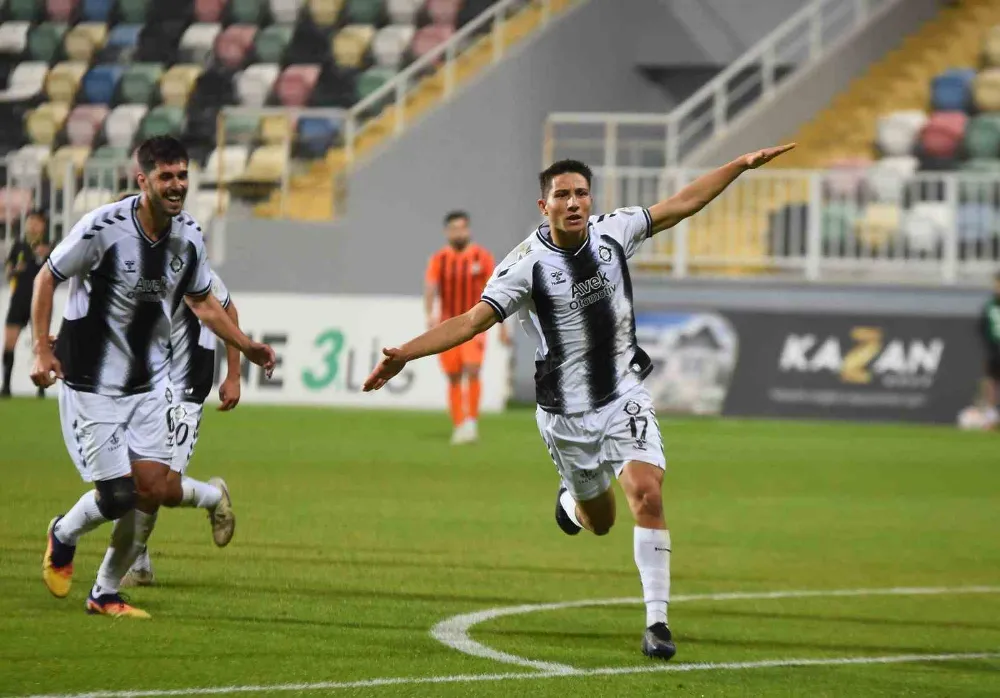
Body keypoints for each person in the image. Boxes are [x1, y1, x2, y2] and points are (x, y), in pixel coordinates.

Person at [364, 144, 795, 659]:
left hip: (623, 393)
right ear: (543, 205)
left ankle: (657, 623)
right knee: (601, 520)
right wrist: (405, 353)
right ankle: (571, 501)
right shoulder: (524, 266)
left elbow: (682, 204)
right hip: (565, 415)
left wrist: (740, 166)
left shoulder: (615, 232)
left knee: (647, 493)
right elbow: (472, 321)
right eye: (562, 195)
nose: (573, 203)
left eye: (582, 193)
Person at [32, 135, 276, 619]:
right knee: (118, 496)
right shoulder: (103, 227)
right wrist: (41, 347)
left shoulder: (189, 237)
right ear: (143, 180)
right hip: (93, 382)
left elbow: (206, 303)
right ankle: (63, 533)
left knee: (152, 490)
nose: (177, 185)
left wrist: (246, 347)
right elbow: (47, 277)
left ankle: (104, 593)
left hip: (151, 382)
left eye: (183, 175)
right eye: (166, 176)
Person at [122, 269, 244, 587]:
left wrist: (234, 375)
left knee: (164, 487)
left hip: (188, 387)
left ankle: (213, 497)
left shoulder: (197, 271)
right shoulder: (136, 267)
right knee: (132, 476)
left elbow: (228, 312)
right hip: (146, 386)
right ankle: (139, 565)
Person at [425, 211, 509, 444]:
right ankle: (459, 424)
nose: (458, 233)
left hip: (474, 324)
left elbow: (497, 290)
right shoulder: (439, 259)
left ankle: (471, 422)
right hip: (447, 325)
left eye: (462, 228)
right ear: (447, 232)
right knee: (453, 376)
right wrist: (430, 314)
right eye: (453, 228)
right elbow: (430, 287)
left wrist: (502, 326)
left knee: (472, 370)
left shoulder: (482, 257)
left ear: (468, 229)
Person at [2, 210, 51, 398]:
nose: (32, 225)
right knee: (9, 342)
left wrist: (45, 256)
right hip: (19, 299)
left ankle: (41, 389)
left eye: (36, 221)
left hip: (41, 302)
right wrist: (15, 269)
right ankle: (6, 386)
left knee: (40, 345)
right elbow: (8, 273)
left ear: (43, 225)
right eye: (30, 221)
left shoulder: (50, 246)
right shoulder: (19, 246)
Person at [978, 271, 1000, 426]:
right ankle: (991, 416)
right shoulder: (990, 305)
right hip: (994, 349)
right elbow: (982, 327)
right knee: (991, 381)